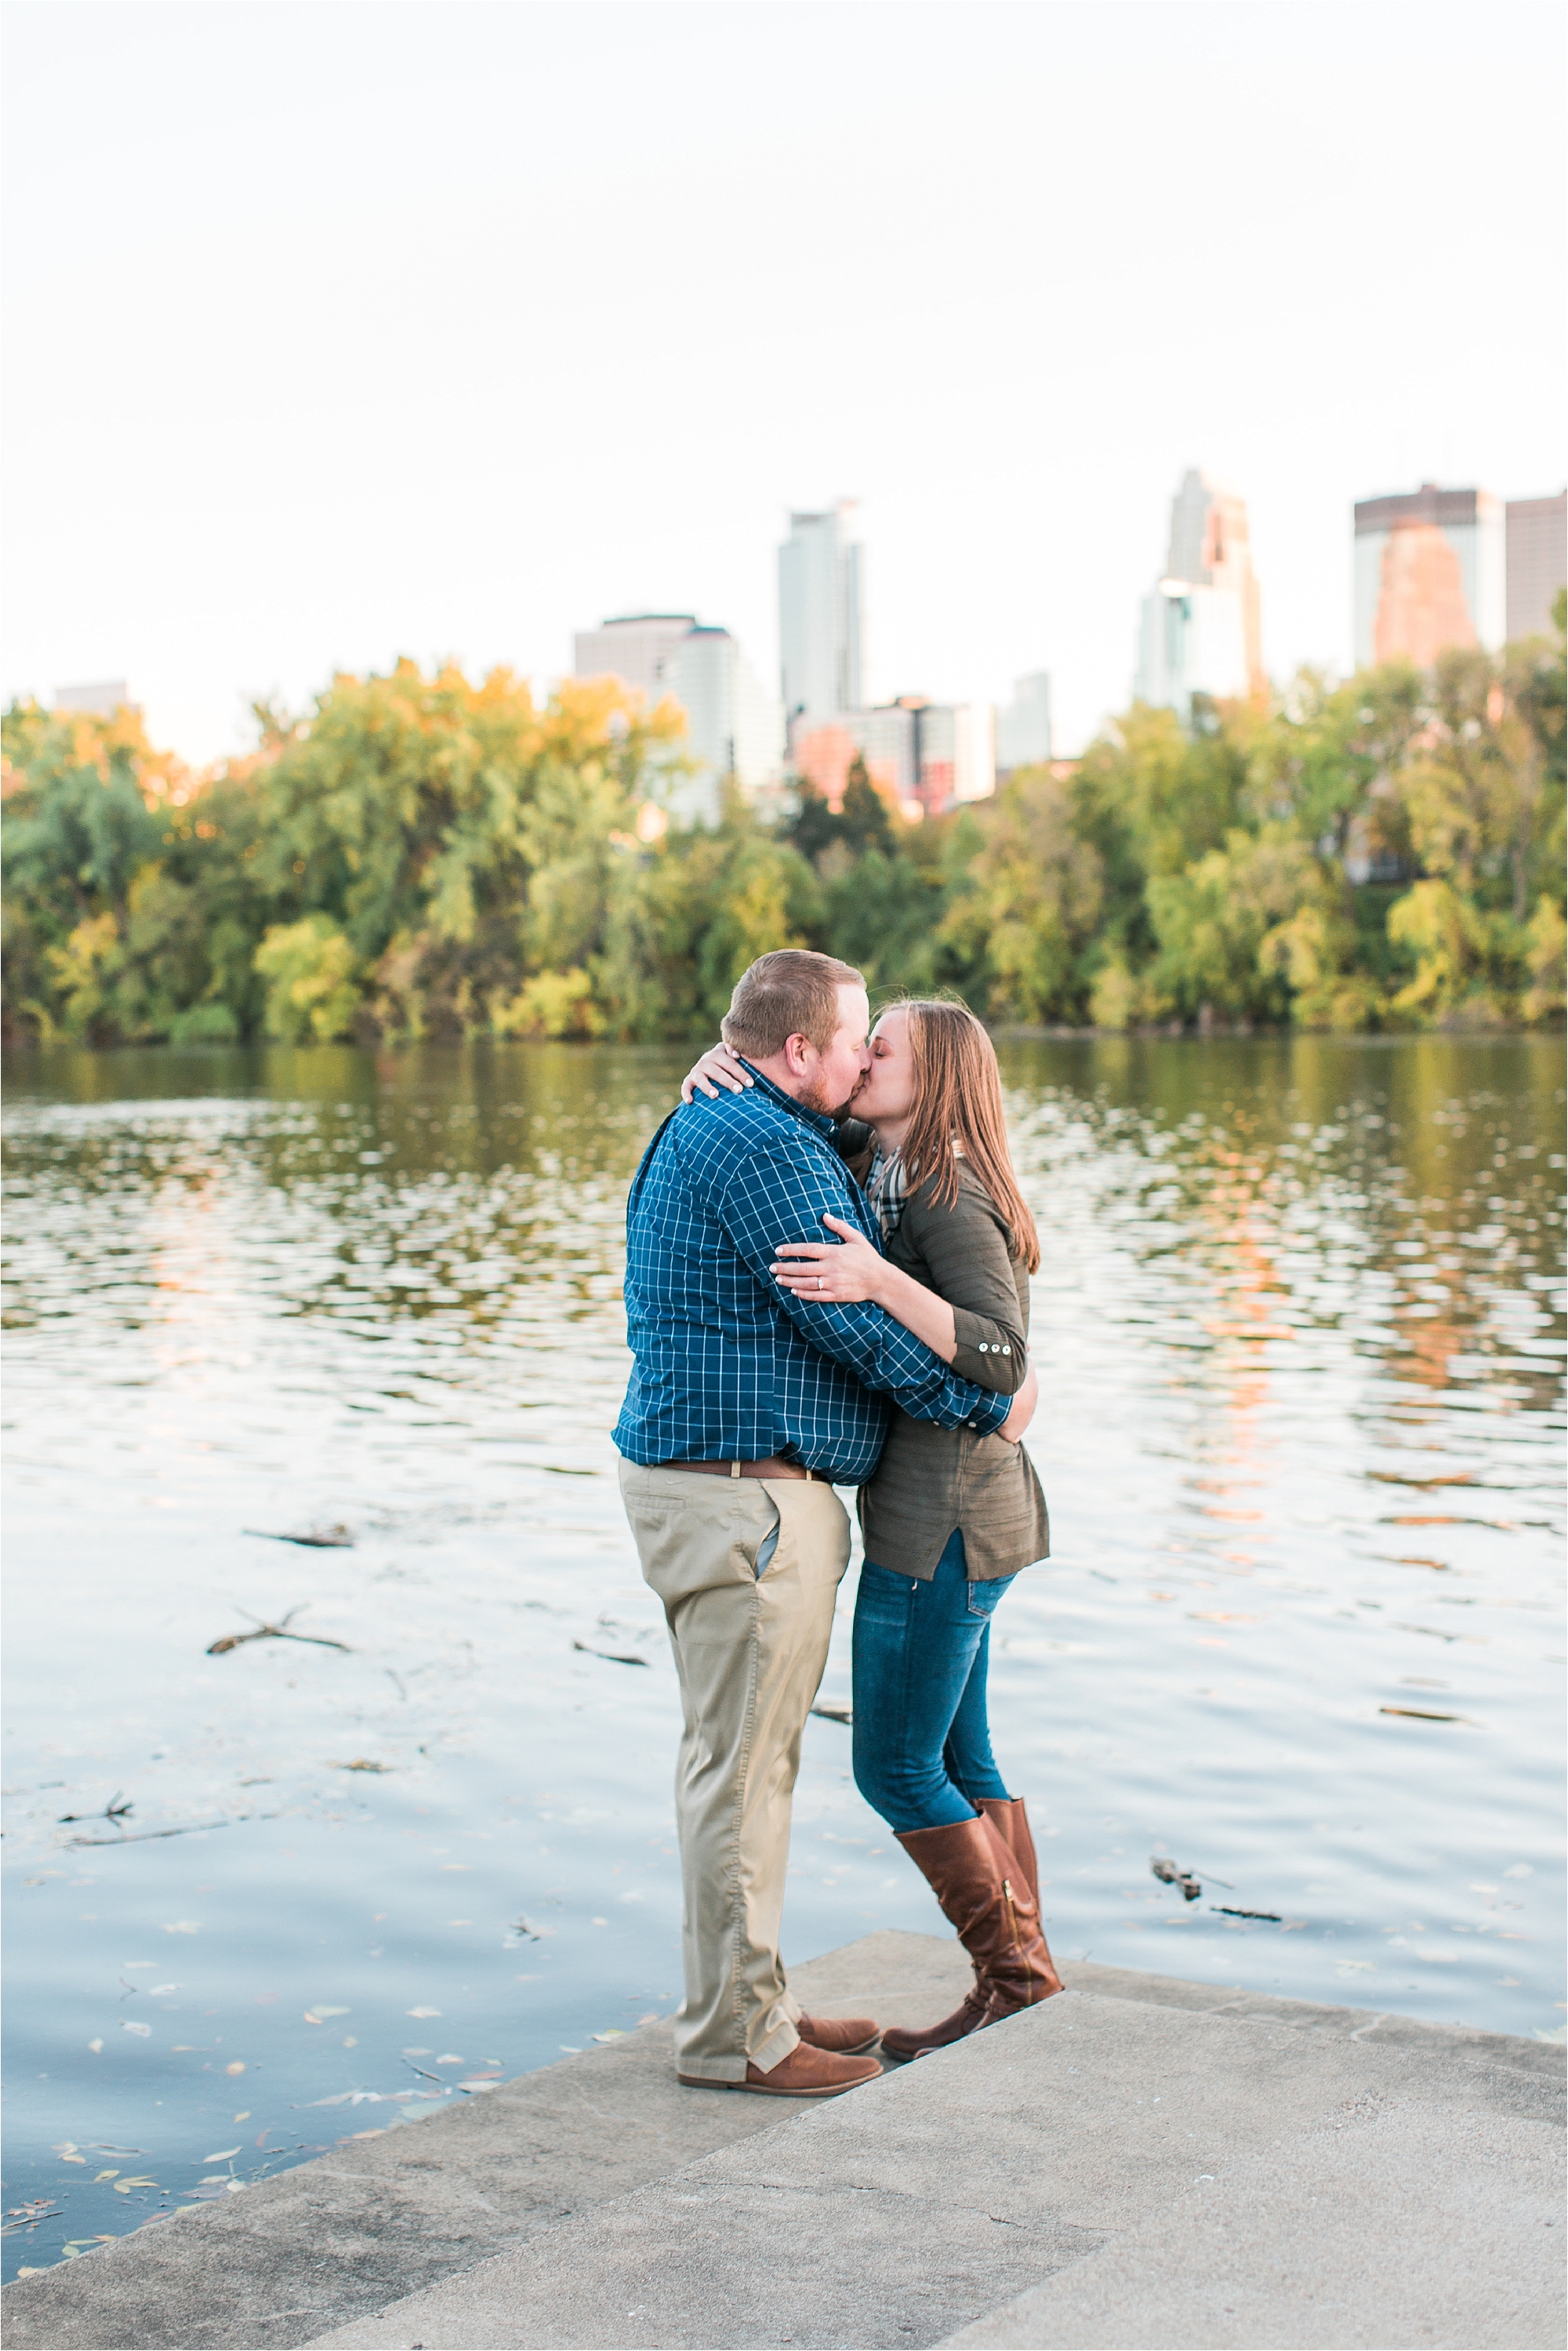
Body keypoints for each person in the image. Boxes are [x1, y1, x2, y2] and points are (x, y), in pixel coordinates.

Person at [616, 950, 1037, 2099]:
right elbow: (859, 1332)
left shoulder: (783, 1130)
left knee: (757, 1767)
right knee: (747, 1774)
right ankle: (739, 2039)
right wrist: (990, 1401)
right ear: (799, 1052)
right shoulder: (761, 1142)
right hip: (744, 1495)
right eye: (856, 1039)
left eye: (880, 1046)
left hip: (752, 1492)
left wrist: (996, 1380)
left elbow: (948, 1304)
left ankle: (765, 2004)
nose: (862, 1059)